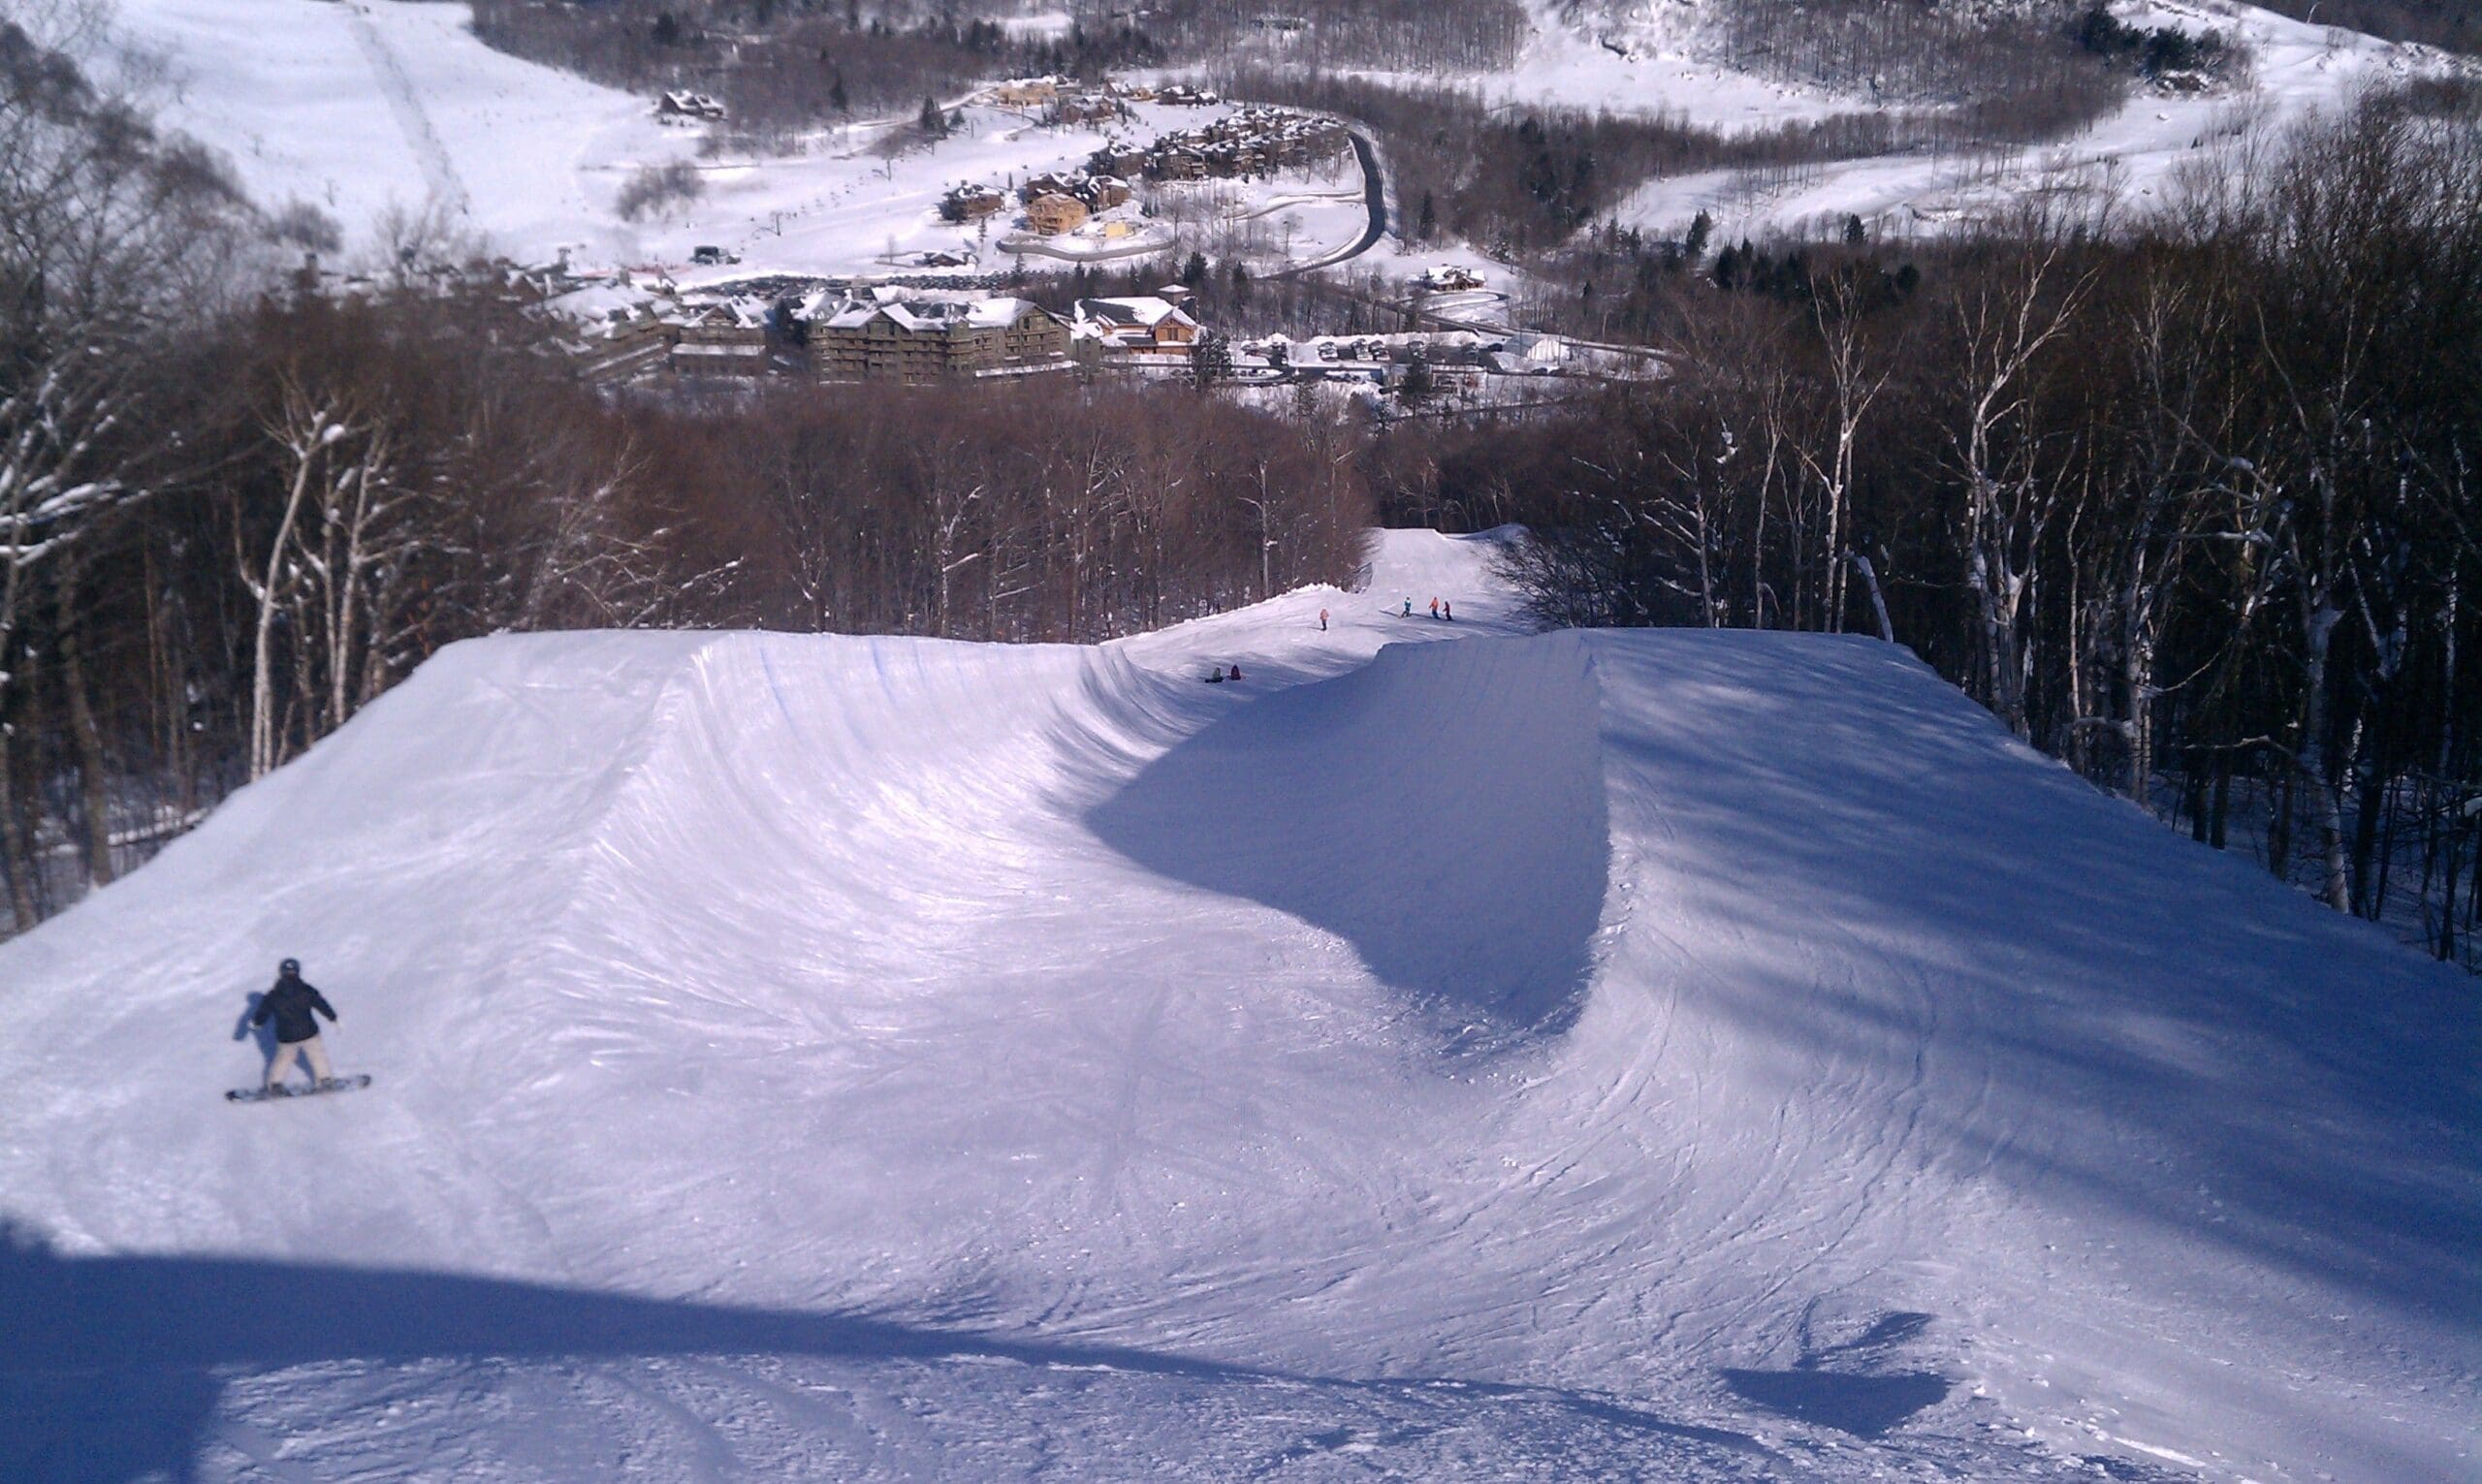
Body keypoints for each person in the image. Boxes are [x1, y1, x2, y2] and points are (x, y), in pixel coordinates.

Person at [253, 958, 339, 1091]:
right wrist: (333, 1018)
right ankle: (325, 1079)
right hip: (309, 1032)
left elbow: (263, 1011)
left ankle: (275, 1084)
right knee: (317, 1055)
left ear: (281, 972)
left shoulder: (274, 995)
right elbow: (321, 1004)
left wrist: (257, 1022)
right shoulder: (306, 990)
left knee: (284, 1058)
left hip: (286, 1035)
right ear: (298, 971)